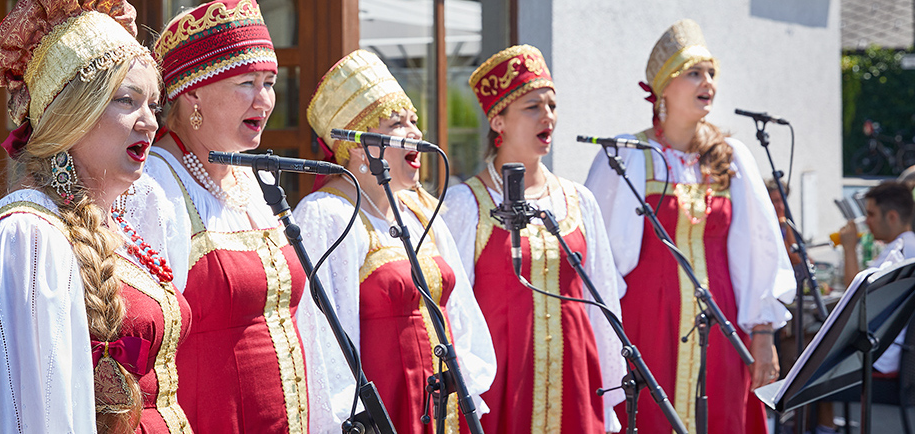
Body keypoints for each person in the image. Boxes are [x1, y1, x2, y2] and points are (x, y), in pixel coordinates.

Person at [0, 1, 192, 432]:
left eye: (154, 104)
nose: (150, 122)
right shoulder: (27, 240)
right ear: (70, 115)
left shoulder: (129, 218)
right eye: (127, 100)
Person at [584, 19, 795, 434]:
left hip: (722, 326)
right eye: (694, 73)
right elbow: (598, 263)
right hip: (647, 327)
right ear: (664, 87)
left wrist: (763, 331)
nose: (708, 83)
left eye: (712, 73)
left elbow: (761, 250)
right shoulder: (628, 156)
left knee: (722, 416)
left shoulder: (731, 157)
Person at [122, 1, 314, 432]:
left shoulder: (251, 180)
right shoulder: (153, 185)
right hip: (207, 415)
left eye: (269, 82)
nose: (264, 100)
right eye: (247, 82)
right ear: (193, 93)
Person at [294, 49, 496, 434]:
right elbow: (321, 339)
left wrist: (466, 382)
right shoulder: (328, 214)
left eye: (414, 120)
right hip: (383, 410)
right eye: (396, 123)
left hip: (442, 407)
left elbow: (462, 314)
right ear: (357, 144)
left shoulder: (419, 210)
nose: (416, 133)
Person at [441, 44, 626, 433]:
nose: (549, 116)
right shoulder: (466, 202)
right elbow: (453, 312)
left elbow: (603, 302)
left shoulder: (579, 200)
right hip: (505, 381)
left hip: (576, 377)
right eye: (532, 107)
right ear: (498, 122)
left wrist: (610, 396)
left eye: (552, 106)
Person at [838, 181, 915, 374]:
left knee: (799, 353)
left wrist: (849, 248)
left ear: (891, 217)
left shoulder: (898, 253)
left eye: (871, 214)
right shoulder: (907, 246)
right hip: (899, 353)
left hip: (884, 355)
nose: (867, 221)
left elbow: (855, 299)